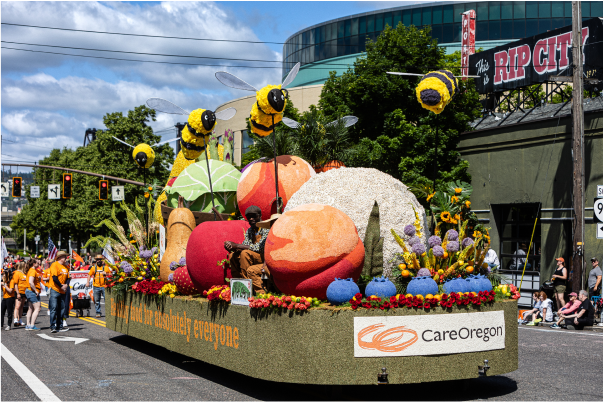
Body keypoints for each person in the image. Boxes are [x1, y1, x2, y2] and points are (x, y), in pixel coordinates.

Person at [225, 206, 270, 294]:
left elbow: (260, 248)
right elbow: (245, 244)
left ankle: (247, 288)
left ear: (260, 215)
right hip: (253, 256)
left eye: (254, 216)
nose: (251, 219)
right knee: (233, 255)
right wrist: (233, 247)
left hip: (263, 257)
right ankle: (238, 284)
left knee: (245, 253)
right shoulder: (250, 230)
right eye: (249, 217)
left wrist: (237, 245)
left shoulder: (265, 228)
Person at [48, 251, 70, 333]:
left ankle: (60, 326)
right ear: (60, 257)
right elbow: (54, 278)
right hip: (55, 289)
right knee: (53, 308)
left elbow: (68, 278)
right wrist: (62, 286)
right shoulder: (54, 265)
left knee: (61, 309)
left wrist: (66, 285)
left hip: (63, 291)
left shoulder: (65, 266)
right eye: (64, 256)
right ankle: (53, 326)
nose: (66, 258)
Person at [25, 259, 42, 331]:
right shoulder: (32, 271)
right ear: (34, 264)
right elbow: (31, 282)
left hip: (29, 291)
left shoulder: (31, 271)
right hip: (32, 291)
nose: (39, 263)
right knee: (37, 308)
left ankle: (28, 325)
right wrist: (35, 290)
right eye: (37, 262)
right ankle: (32, 325)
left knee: (30, 308)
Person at [12, 261, 28, 327]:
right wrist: (18, 293)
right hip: (19, 291)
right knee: (17, 306)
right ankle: (15, 319)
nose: (26, 266)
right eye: (25, 265)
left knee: (22, 306)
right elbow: (15, 283)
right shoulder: (17, 273)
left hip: (25, 292)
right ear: (22, 266)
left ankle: (20, 319)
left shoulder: (25, 273)